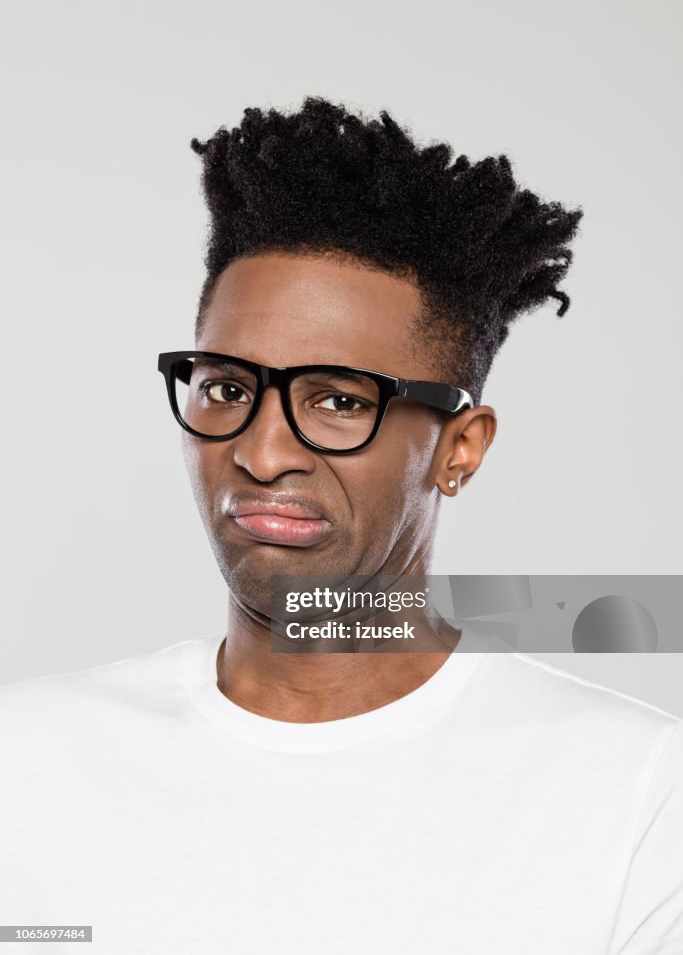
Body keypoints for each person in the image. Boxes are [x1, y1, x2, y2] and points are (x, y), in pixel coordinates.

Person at [1, 96, 681, 954]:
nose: (262, 450)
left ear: (459, 450)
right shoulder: (21, 762)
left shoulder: (636, 796)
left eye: (336, 400)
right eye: (226, 388)